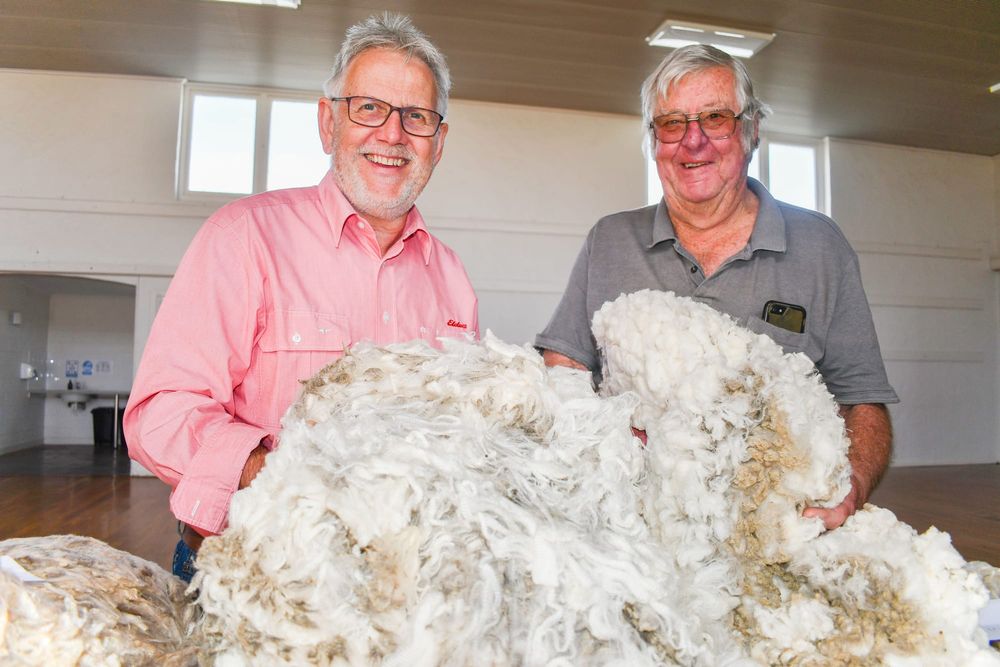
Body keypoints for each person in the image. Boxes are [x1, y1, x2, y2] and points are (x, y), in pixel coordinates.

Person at [124, 13, 478, 582]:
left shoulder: (453, 279)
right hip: (250, 573)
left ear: (438, 143)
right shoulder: (243, 238)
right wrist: (279, 471)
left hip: (396, 587)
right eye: (368, 107)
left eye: (416, 117)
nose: (392, 134)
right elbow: (158, 413)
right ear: (327, 123)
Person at [535, 44, 898, 531]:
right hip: (628, 526)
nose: (693, 142)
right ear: (653, 139)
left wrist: (848, 489)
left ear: (750, 131)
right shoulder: (611, 240)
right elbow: (564, 368)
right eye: (672, 123)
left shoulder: (820, 248)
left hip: (768, 529)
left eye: (714, 117)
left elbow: (862, 400)